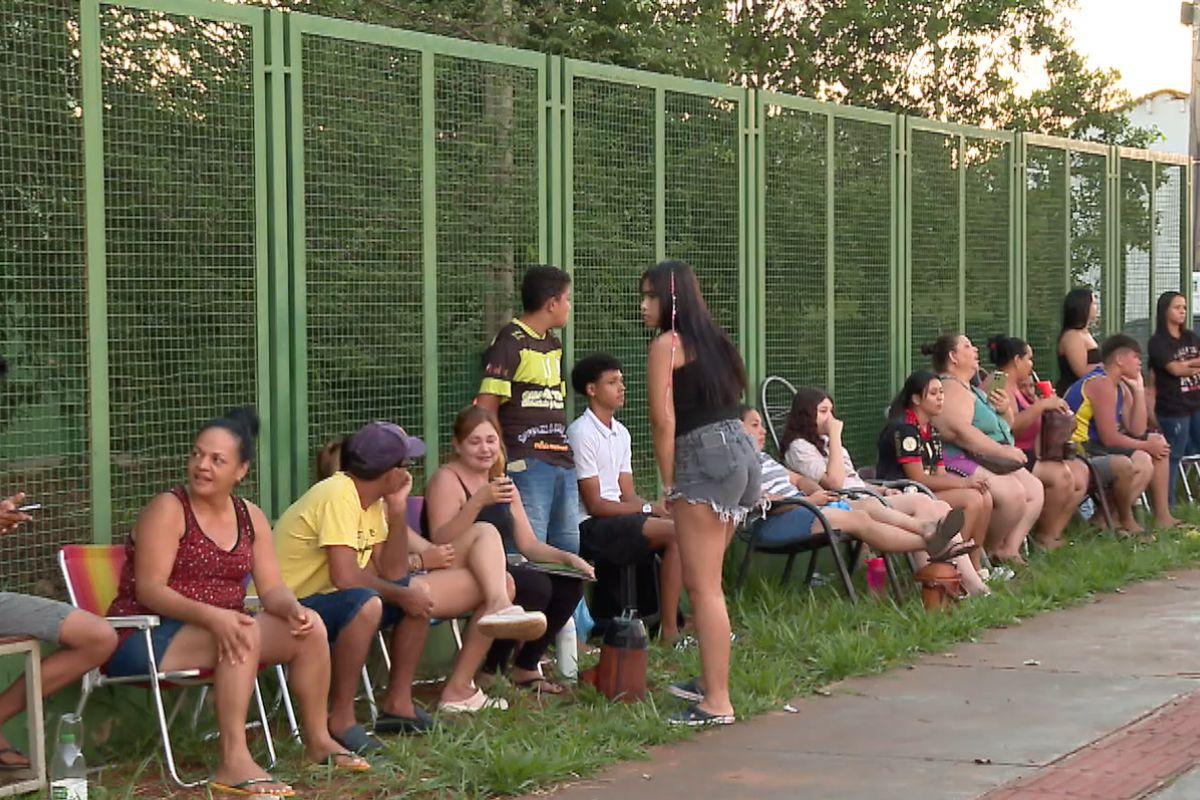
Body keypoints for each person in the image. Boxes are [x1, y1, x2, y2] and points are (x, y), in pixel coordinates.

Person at [105, 408, 368, 796]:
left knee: (309, 628)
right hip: (144, 635)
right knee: (241, 629)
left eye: (216, 459)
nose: (202, 466)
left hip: (219, 629)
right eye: (197, 455)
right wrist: (217, 618)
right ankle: (233, 760)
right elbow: (150, 590)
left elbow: (272, 587)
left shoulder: (250, 516)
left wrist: (292, 609)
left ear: (240, 470)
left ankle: (317, 740)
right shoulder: (169, 508)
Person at [274, 421, 546, 755]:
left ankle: (398, 706)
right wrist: (402, 591)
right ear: (388, 470)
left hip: (337, 597)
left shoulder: (373, 501)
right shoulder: (338, 493)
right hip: (292, 604)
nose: (410, 471)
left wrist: (399, 509)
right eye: (406, 465)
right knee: (377, 601)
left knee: (418, 595)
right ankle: (341, 720)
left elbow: (392, 570)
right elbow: (345, 576)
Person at [642, 260, 757, 727]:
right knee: (709, 582)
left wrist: (669, 482)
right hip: (739, 452)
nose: (643, 306)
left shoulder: (666, 345)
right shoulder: (718, 344)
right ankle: (711, 681)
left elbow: (662, 419)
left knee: (704, 587)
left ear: (671, 300)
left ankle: (717, 702)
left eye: (650, 296)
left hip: (703, 456)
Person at [424, 406, 593, 695]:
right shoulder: (447, 479)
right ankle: (492, 667)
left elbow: (528, 545)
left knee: (569, 582)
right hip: (456, 567)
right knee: (534, 585)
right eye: (475, 442)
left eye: (491, 440)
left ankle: (525, 666)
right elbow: (441, 539)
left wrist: (568, 559)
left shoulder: (502, 483)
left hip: (496, 568)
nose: (485, 449)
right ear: (458, 445)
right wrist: (477, 502)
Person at [741, 407, 987, 595]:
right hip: (778, 519)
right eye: (754, 425)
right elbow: (758, 501)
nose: (762, 430)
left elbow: (798, 480)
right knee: (859, 518)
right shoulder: (739, 464)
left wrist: (813, 493)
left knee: (869, 505)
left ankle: (927, 530)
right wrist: (810, 501)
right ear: (736, 429)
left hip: (807, 507)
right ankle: (933, 542)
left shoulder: (764, 459)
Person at [566, 353, 683, 642]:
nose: (622, 387)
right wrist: (647, 508)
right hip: (591, 525)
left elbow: (626, 493)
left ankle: (672, 620)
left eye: (622, 381)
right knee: (678, 536)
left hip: (619, 519)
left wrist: (655, 511)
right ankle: (670, 629)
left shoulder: (622, 433)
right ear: (591, 390)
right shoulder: (581, 432)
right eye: (612, 382)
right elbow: (595, 504)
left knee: (685, 527)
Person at [925, 333, 1045, 566]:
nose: (976, 350)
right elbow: (958, 433)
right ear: (953, 357)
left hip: (985, 456)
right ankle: (985, 554)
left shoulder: (971, 388)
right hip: (954, 459)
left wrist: (1004, 409)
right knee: (1013, 494)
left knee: (1034, 489)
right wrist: (1004, 452)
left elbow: (1005, 426)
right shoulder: (949, 387)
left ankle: (1006, 550)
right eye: (967, 346)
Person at [779, 387, 969, 530]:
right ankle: (935, 572)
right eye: (823, 411)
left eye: (831, 411)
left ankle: (957, 573)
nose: (830, 418)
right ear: (806, 415)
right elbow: (836, 484)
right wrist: (836, 437)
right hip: (846, 504)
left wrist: (881, 490)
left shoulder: (827, 442)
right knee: (922, 503)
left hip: (864, 495)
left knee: (940, 506)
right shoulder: (799, 447)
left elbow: (852, 479)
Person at [984, 335, 1089, 551]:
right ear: (1016, 360)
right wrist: (1041, 407)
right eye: (1029, 359)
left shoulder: (1016, 384)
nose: (1032, 365)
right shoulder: (998, 381)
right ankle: (1041, 538)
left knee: (1079, 474)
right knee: (1062, 477)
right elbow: (1008, 426)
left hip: (1026, 452)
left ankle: (1050, 533)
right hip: (1004, 454)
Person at [1064, 334, 1178, 531]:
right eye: (1135, 357)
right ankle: (1107, 517)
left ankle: (1162, 515)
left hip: (1097, 445)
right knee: (1144, 458)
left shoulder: (1117, 385)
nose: (1138, 362)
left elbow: (1137, 430)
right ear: (1119, 359)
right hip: (1080, 449)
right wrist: (1145, 445)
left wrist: (1139, 391)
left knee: (1156, 443)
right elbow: (1109, 437)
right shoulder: (1101, 383)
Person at [1148, 290, 1200, 506]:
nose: (1182, 312)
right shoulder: (1158, 342)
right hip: (1173, 407)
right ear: (1165, 311)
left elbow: (1181, 366)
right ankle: (1166, 505)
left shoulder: (1191, 337)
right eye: (1177, 307)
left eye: (1185, 308)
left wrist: (1184, 366)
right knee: (1173, 455)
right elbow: (1174, 369)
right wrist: (1191, 366)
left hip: (1196, 403)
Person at [1056, 287, 1101, 397]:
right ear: (1084, 306)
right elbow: (1082, 371)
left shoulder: (1086, 333)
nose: (1097, 307)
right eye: (1094, 303)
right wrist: (1107, 366)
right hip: (1075, 395)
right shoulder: (1073, 336)